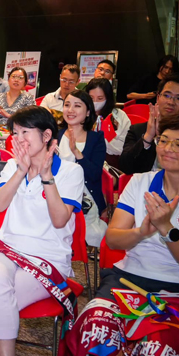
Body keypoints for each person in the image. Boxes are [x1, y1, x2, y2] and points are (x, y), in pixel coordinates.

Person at [67, 108, 179, 356]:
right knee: (95, 331)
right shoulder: (140, 182)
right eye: (163, 140)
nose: (167, 148)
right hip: (128, 281)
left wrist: (167, 229)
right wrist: (141, 232)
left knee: (160, 348)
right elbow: (113, 239)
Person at [0, 106, 84, 356]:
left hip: (47, 258)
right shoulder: (13, 166)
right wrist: (21, 171)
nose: (18, 138)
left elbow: (59, 221)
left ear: (46, 136)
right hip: (6, 249)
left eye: (25, 132)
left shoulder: (70, 172)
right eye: (15, 132)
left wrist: (47, 178)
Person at [58, 90, 107, 245]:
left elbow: (94, 174)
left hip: (85, 197)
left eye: (77, 106)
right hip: (56, 193)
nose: (70, 110)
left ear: (87, 112)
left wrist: (76, 152)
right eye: (67, 105)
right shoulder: (54, 135)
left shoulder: (96, 139)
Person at [84, 78, 131, 168]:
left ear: (108, 98)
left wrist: (104, 138)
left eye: (100, 98)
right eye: (91, 98)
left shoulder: (119, 115)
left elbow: (123, 148)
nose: (95, 102)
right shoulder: (82, 113)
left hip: (110, 163)